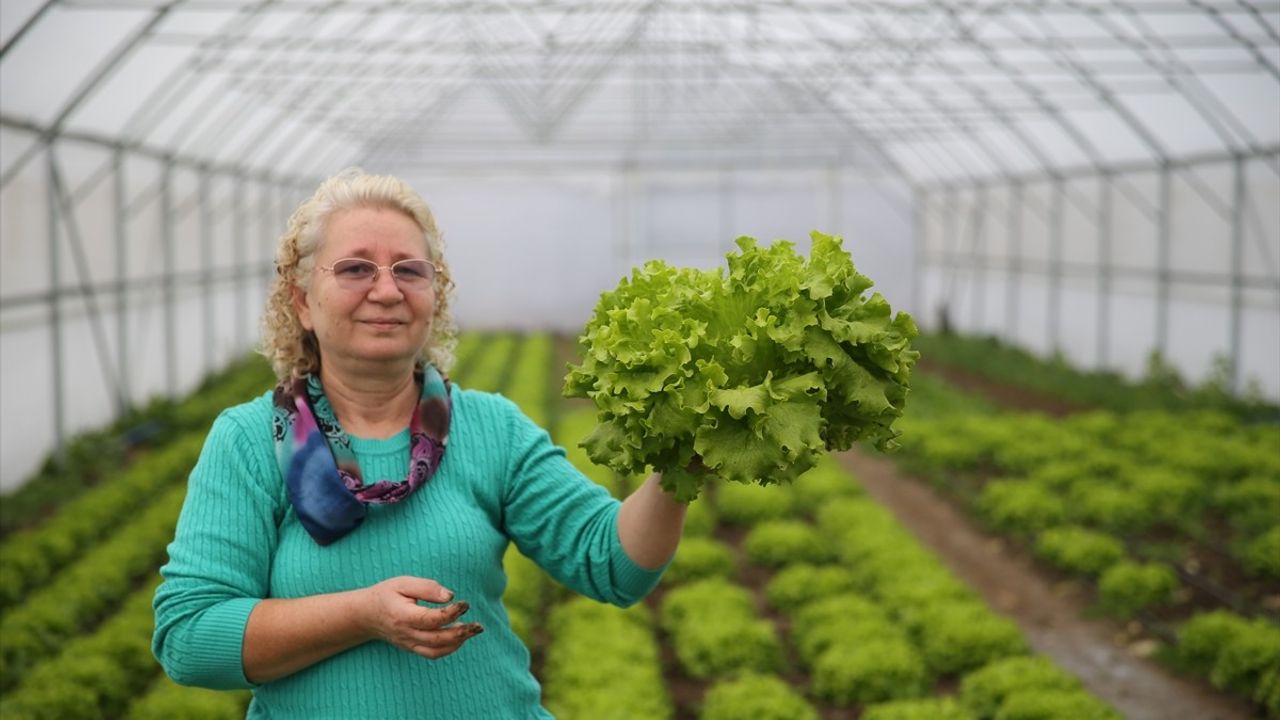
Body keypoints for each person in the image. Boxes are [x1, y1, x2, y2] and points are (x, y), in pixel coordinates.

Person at [151, 168, 687, 719]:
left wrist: (680, 467)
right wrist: (361, 613)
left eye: (410, 270)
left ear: (434, 295)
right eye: (356, 268)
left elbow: (612, 564)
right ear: (304, 302)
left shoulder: (488, 428)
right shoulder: (251, 442)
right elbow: (190, 638)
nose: (386, 290)